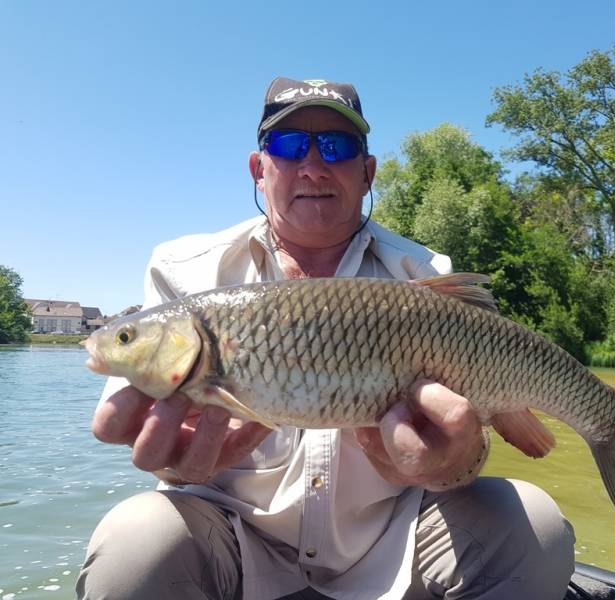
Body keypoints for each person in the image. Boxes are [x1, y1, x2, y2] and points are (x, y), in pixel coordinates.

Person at [77, 77, 575, 600]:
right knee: (132, 541)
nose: (313, 165)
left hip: (395, 540)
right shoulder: (184, 273)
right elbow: (137, 434)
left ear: (367, 172)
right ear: (258, 168)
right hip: (232, 534)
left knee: (535, 527)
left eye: (336, 147)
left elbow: (469, 450)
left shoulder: (424, 272)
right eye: (289, 145)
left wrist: (457, 464)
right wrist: (169, 465)